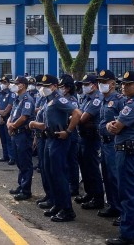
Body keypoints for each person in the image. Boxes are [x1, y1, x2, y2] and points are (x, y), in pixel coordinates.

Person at [29, 75, 82, 222]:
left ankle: (67, 210)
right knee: (50, 173)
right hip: (48, 139)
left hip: (58, 140)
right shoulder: (49, 101)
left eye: (45, 86)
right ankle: (58, 204)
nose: (42, 88)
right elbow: (47, 123)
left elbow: (77, 113)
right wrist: (34, 124)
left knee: (59, 175)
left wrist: (69, 131)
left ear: (54, 86)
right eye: (41, 85)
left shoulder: (59, 99)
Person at [105, 71, 134, 245]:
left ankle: (128, 235)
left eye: (128, 84)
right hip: (127, 151)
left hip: (128, 153)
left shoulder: (132, 105)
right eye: (123, 84)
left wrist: (111, 125)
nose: (124, 86)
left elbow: (116, 127)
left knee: (128, 193)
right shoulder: (129, 102)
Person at [97, 70, 125, 219]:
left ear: (112, 84)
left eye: (104, 82)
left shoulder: (120, 100)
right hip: (104, 143)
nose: (100, 85)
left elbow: (124, 123)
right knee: (107, 176)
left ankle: (122, 211)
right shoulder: (103, 99)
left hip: (114, 144)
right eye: (99, 82)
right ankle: (113, 206)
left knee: (117, 178)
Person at [75, 75, 105, 210]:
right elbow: (78, 115)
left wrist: (75, 117)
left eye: (87, 84)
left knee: (92, 168)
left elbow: (82, 118)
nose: (84, 86)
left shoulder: (97, 99)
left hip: (91, 138)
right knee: (84, 167)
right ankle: (89, 193)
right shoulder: (86, 98)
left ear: (94, 85)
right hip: (83, 137)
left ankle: (97, 197)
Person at [7, 76, 35, 201]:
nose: (13, 85)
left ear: (22, 85)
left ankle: (26, 190)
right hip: (15, 134)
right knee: (19, 161)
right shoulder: (17, 99)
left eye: (16, 83)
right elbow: (12, 114)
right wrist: (9, 123)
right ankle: (21, 185)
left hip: (23, 134)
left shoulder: (27, 99)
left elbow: (24, 117)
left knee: (25, 163)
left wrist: (12, 125)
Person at [0, 76, 16, 164]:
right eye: (2, 83)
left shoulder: (11, 93)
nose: (3, 84)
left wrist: (4, 114)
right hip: (0, 117)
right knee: (2, 138)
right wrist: (0, 112)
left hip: (8, 118)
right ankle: (5, 156)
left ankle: (12, 157)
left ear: (8, 84)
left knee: (9, 138)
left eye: (5, 83)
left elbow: (10, 105)